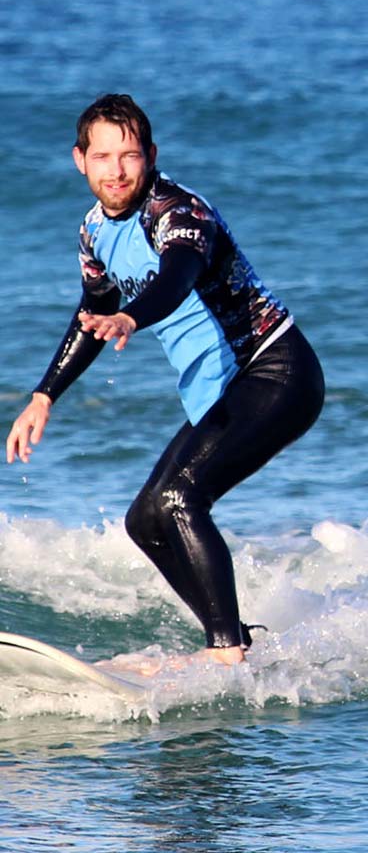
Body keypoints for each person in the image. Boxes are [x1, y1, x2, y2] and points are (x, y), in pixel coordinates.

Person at [6, 94, 325, 667]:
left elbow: (176, 275)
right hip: (229, 386)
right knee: (146, 520)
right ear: (80, 160)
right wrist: (44, 394)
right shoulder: (94, 232)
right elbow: (93, 307)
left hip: (278, 371)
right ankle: (236, 640)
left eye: (129, 156)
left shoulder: (179, 213)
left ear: (150, 155)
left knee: (180, 497)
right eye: (103, 157)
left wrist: (131, 315)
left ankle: (226, 650)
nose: (117, 170)